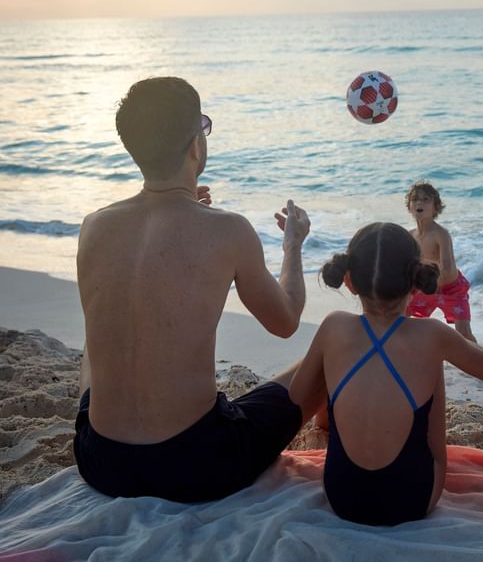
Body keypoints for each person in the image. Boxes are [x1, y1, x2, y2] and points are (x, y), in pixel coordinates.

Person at [74, 76, 318, 503]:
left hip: (100, 459)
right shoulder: (228, 230)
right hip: (194, 463)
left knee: (100, 332)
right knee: (331, 347)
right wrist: (293, 246)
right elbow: (286, 320)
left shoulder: (95, 226)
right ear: (195, 146)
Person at [289, 222, 483, 525]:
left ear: (349, 281)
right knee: (430, 358)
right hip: (412, 500)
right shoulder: (432, 333)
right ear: (416, 282)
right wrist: (460, 342)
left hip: (342, 495)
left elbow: (297, 395)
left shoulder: (333, 326)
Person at [404, 181, 477, 342]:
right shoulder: (410, 236)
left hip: (451, 289)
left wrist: (429, 284)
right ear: (409, 207)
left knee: (464, 333)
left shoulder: (440, 234)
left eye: (425, 199)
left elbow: (447, 268)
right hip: (425, 287)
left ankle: (481, 362)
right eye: (415, 199)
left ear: (436, 208)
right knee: (400, 318)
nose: (419, 202)